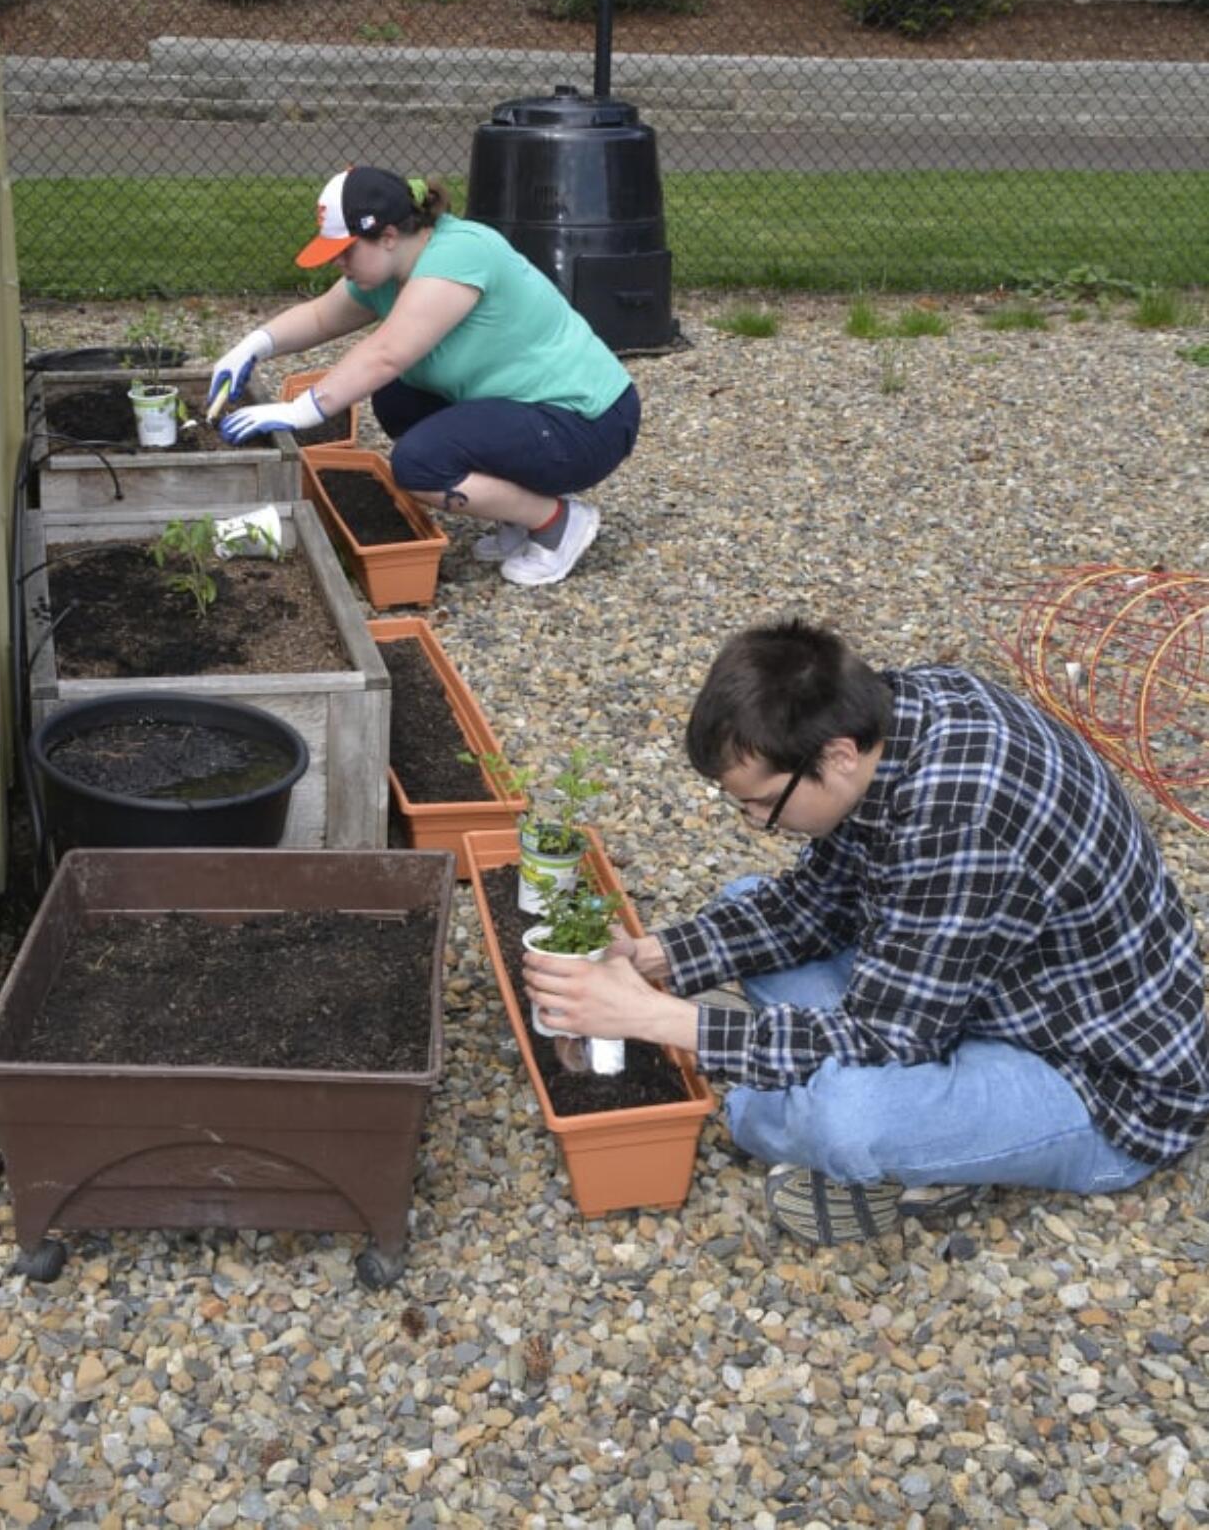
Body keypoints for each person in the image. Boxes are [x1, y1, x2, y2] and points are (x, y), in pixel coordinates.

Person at [524, 619, 1209, 1247]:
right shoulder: (895, 713)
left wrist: (659, 1020)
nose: (760, 824)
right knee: (744, 908)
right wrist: (654, 957)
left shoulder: (959, 817)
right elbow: (814, 907)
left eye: (764, 804)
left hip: (1098, 1081)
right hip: (979, 991)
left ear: (838, 754)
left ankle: (934, 1153)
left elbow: (889, 1038)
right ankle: (818, 1078)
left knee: (846, 1117)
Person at [207, 166, 640, 587]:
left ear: (390, 236)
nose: (338, 263)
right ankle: (518, 510)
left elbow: (386, 355)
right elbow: (321, 317)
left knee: (419, 466)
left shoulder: (460, 255)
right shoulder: (392, 267)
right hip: (533, 408)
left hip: (587, 423)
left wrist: (303, 409)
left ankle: (556, 523)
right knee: (398, 400)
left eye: (345, 251)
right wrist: (254, 345)